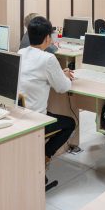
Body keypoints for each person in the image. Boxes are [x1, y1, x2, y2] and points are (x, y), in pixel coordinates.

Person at [17, 16, 76, 168]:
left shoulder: (21, 52)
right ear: (47, 38)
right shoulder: (48, 58)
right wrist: (65, 76)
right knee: (70, 123)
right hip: (36, 118)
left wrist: (58, 74)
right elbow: (63, 88)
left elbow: (37, 76)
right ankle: (45, 155)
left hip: (20, 112)